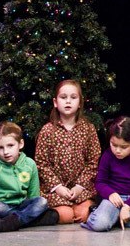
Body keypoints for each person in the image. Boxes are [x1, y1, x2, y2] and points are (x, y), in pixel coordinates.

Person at [35, 79, 102, 223]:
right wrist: (57, 187)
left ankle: (78, 207)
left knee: (84, 215)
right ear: (55, 102)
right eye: (63, 97)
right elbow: (41, 163)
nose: (68, 101)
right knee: (66, 215)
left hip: (81, 189)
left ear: (80, 103)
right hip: (56, 190)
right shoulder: (47, 130)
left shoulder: (88, 129)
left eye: (73, 97)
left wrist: (79, 186)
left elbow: (93, 161)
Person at [0, 121, 59, 235]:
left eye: (10, 146)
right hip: (4, 206)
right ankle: (30, 220)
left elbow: (34, 194)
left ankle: (9, 222)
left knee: (42, 202)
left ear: (20, 144)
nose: (6, 152)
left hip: (22, 204)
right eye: (0, 148)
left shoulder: (29, 164)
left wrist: (35, 206)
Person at [81, 116, 130, 231]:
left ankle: (118, 219)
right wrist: (110, 193)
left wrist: (128, 206)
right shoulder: (108, 155)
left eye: (124, 147)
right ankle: (111, 216)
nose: (117, 150)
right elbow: (100, 182)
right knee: (99, 224)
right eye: (114, 145)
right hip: (114, 199)